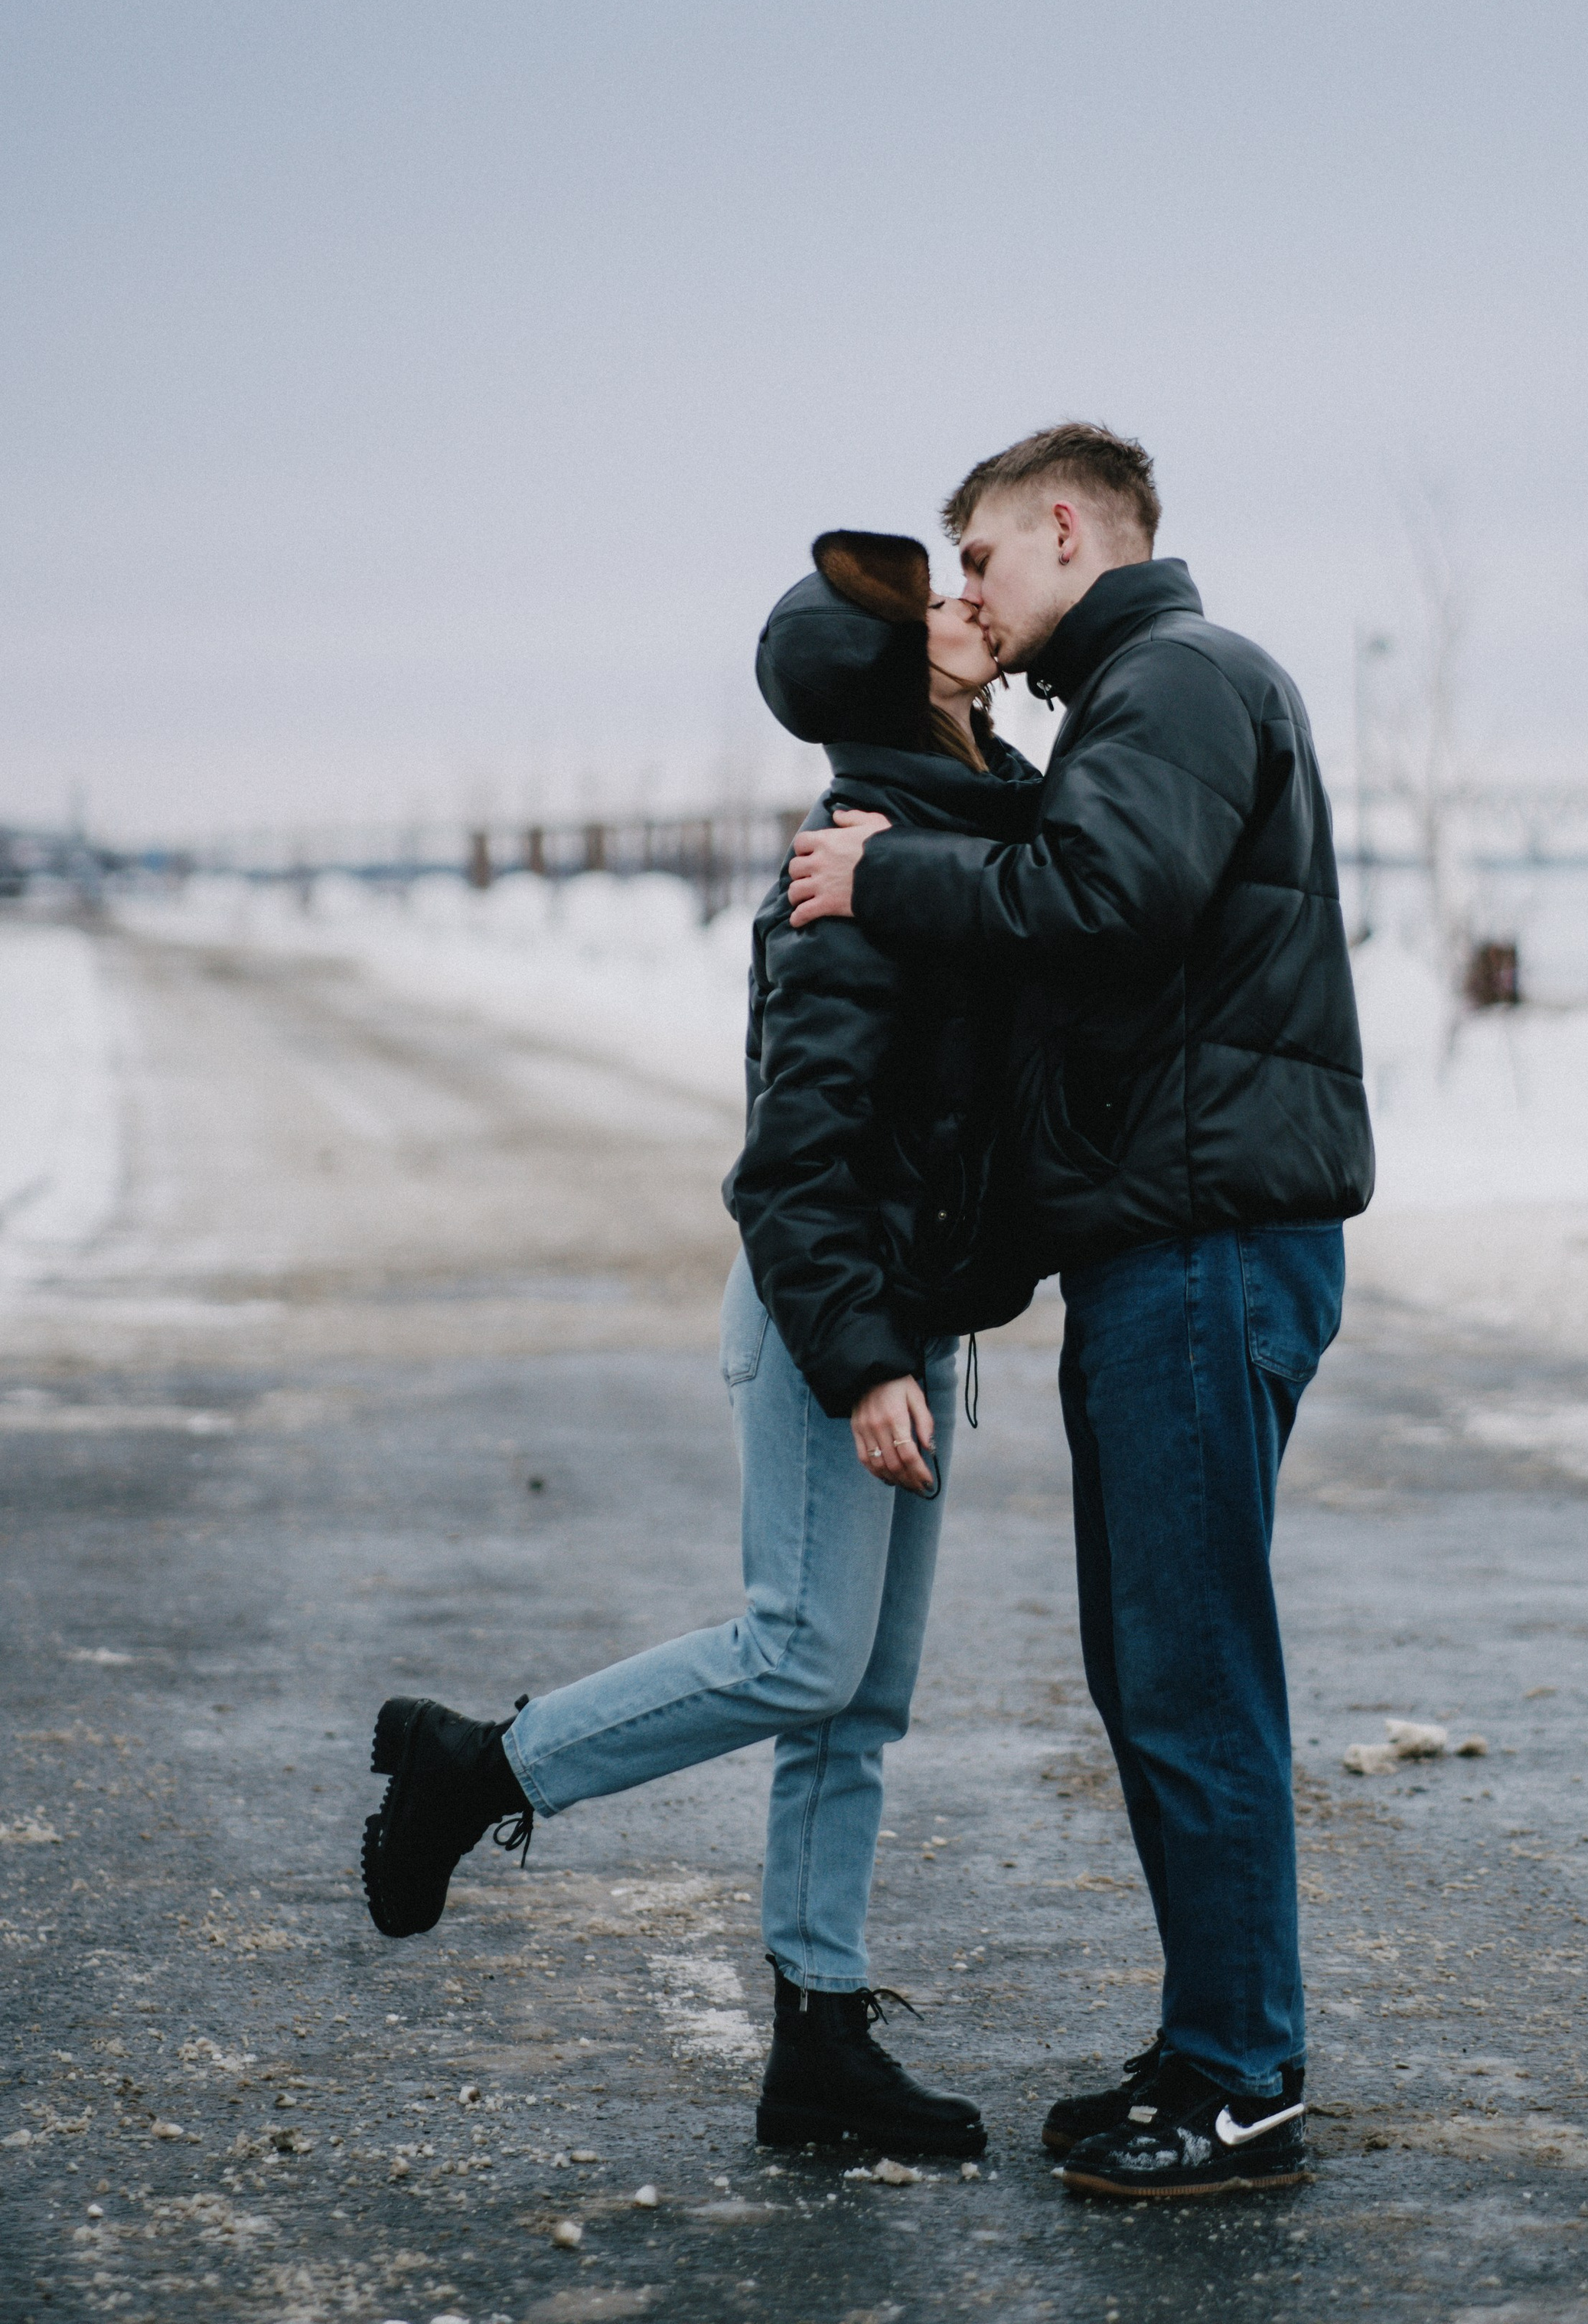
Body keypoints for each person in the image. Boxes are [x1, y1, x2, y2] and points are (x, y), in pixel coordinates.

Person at [360, 530, 1041, 2160]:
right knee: (802, 1652)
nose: (966, 600)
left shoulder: (955, 824)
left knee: (857, 1702)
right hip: (832, 1314)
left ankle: (819, 2048)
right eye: (931, 608)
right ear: (886, 679)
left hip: (902, 1313)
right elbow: (789, 1167)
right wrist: (862, 1360)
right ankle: (479, 1768)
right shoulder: (846, 871)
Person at [787, 425, 1374, 2202]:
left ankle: (1239, 2081)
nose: (964, 593)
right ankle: (1215, 2042)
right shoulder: (1139, 694)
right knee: (1154, 1669)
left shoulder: (1176, 678)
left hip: (1205, 1245)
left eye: (975, 557)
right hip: (1171, 1243)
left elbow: (1102, 903)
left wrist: (878, 874)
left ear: (1062, 529)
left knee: (1188, 1671)